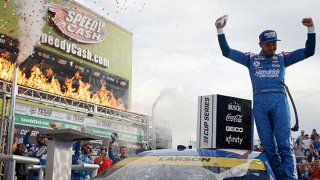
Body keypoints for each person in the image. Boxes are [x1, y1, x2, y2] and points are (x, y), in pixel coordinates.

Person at [215, 16, 316, 179]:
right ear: (260, 45)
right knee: (269, 147)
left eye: (274, 43)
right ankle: (276, 176)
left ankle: (290, 177)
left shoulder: (283, 58)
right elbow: (227, 52)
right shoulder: (251, 58)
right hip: (260, 104)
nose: (272, 47)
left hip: (279, 102)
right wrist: (220, 30)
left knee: (284, 145)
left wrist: (311, 29)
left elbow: (308, 52)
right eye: (268, 44)